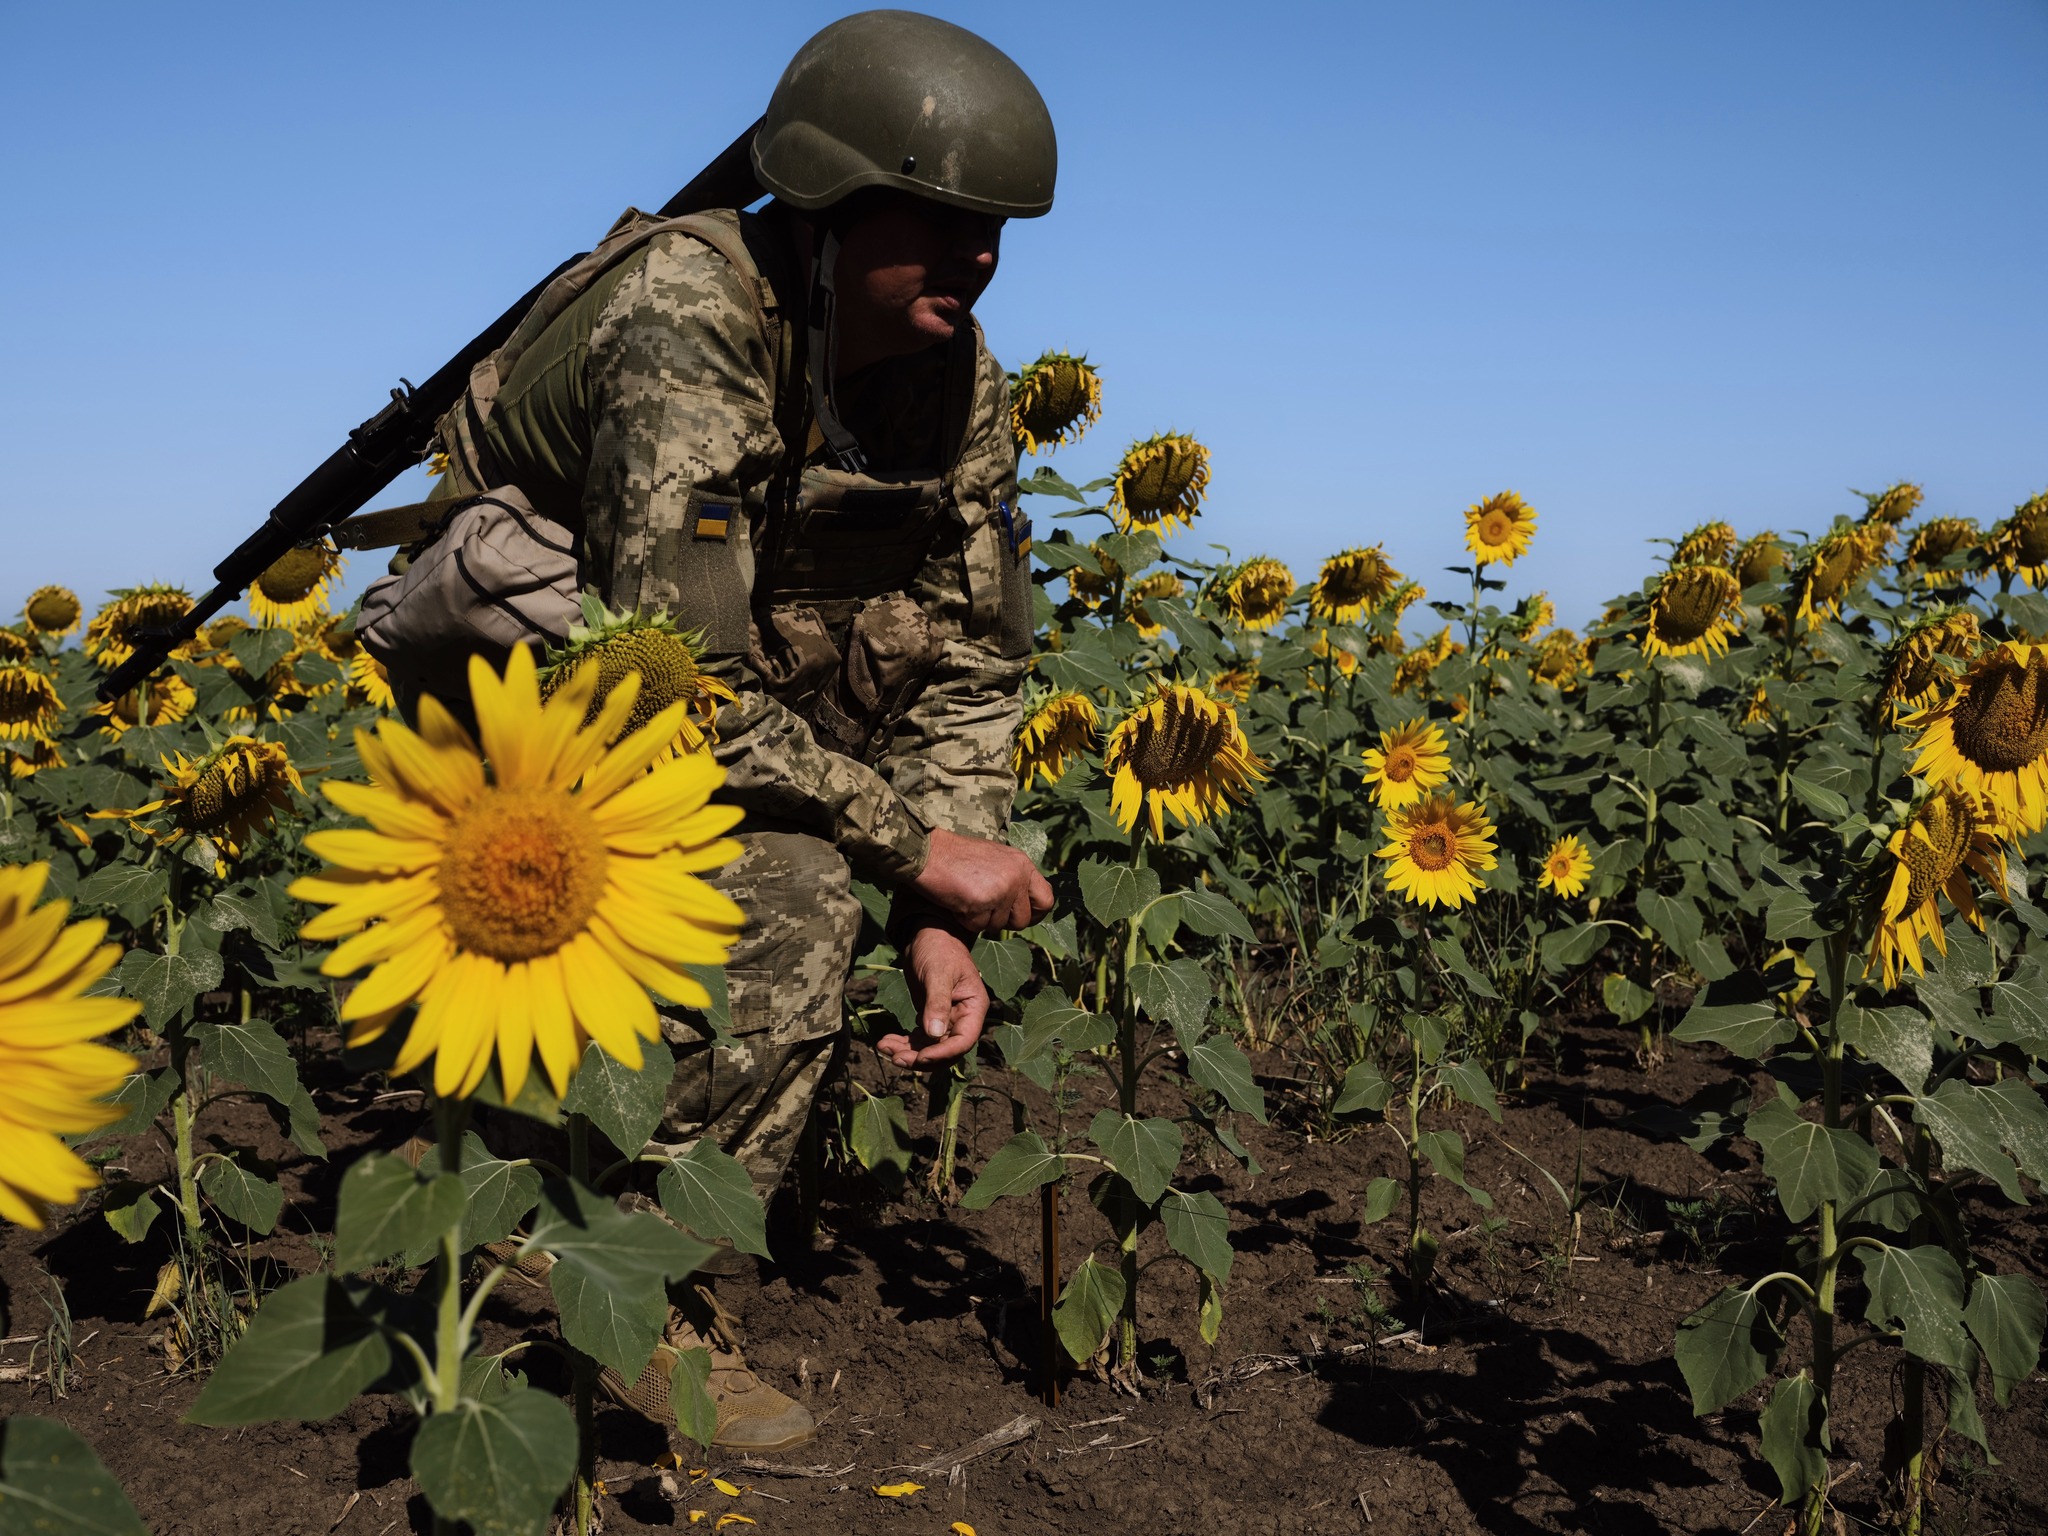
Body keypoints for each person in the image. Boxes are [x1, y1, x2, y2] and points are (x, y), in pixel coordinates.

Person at [421, 10, 1059, 1450]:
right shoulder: (690, 312)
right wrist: (901, 853)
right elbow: (675, 688)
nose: (977, 257)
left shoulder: (964, 387)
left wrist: (941, 899)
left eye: (997, 229)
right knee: (790, 896)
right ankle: (625, 1288)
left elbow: (969, 657)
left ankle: (608, 1212)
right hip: (536, 690)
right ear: (832, 203)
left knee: (839, 885)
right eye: (942, 218)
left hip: (739, 696)